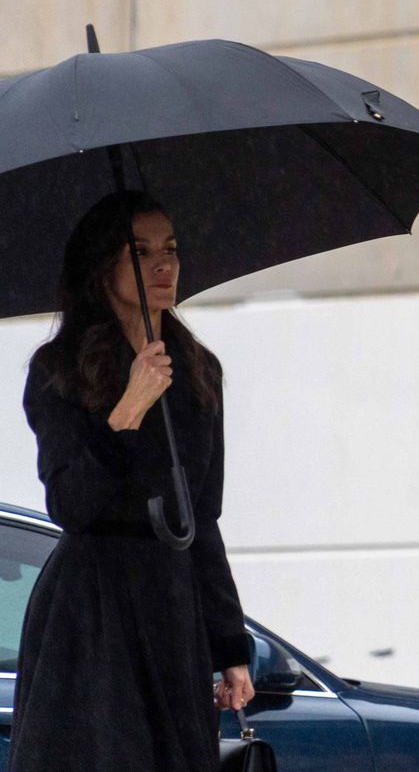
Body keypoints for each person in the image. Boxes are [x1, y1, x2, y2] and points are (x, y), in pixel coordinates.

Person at [8, 191, 254, 772]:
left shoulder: (198, 369)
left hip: (172, 605)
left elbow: (203, 517)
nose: (163, 265)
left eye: (171, 249)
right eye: (140, 252)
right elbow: (70, 503)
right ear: (103, 267)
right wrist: (127, 410)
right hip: (91, 609)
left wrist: (229, 646)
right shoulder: (60, 369)